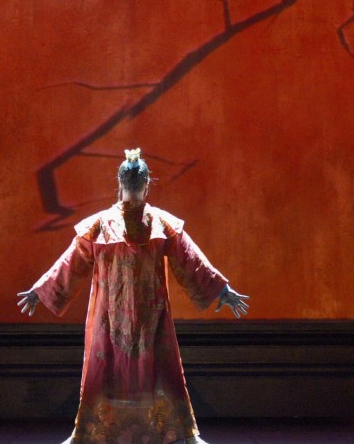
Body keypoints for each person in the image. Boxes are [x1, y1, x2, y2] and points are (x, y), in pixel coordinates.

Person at [18, 148, 249, 444]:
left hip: (148, 314)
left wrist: (220, 288)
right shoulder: (103, 225)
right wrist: (42, 289)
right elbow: (71, 262)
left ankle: (183, 434)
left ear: (121, 183)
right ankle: (85, 433)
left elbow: (190, 258)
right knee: (104, 371)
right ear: (145, 185)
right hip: (111, 315)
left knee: (159, 369)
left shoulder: (157, 224)